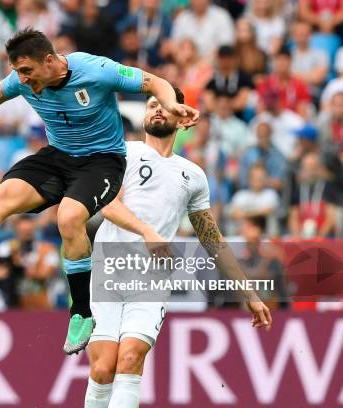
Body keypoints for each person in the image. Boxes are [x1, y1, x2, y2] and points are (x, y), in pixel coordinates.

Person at [0, 28, 198, 354]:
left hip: (102, 162)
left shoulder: (95, 70)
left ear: (49, 60)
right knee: (0, 196)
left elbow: (152, 82)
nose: (22, 79)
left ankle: (82, 312)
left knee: (70, 216)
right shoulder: (23, 79)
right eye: (18, 72)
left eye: (27, 71)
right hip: (58, 157)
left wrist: (172, 105)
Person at [85, 89, 272, 408]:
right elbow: (109, 207)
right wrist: (148, 231)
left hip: (151, 277)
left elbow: (212, 239)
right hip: (109, 268)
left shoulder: (193, 176)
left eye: (164, 105)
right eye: (151, 105)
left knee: (129, 358)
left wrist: (249, 294)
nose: (156, 109)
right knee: (103, 368)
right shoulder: (122, 153)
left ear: (182, 117)